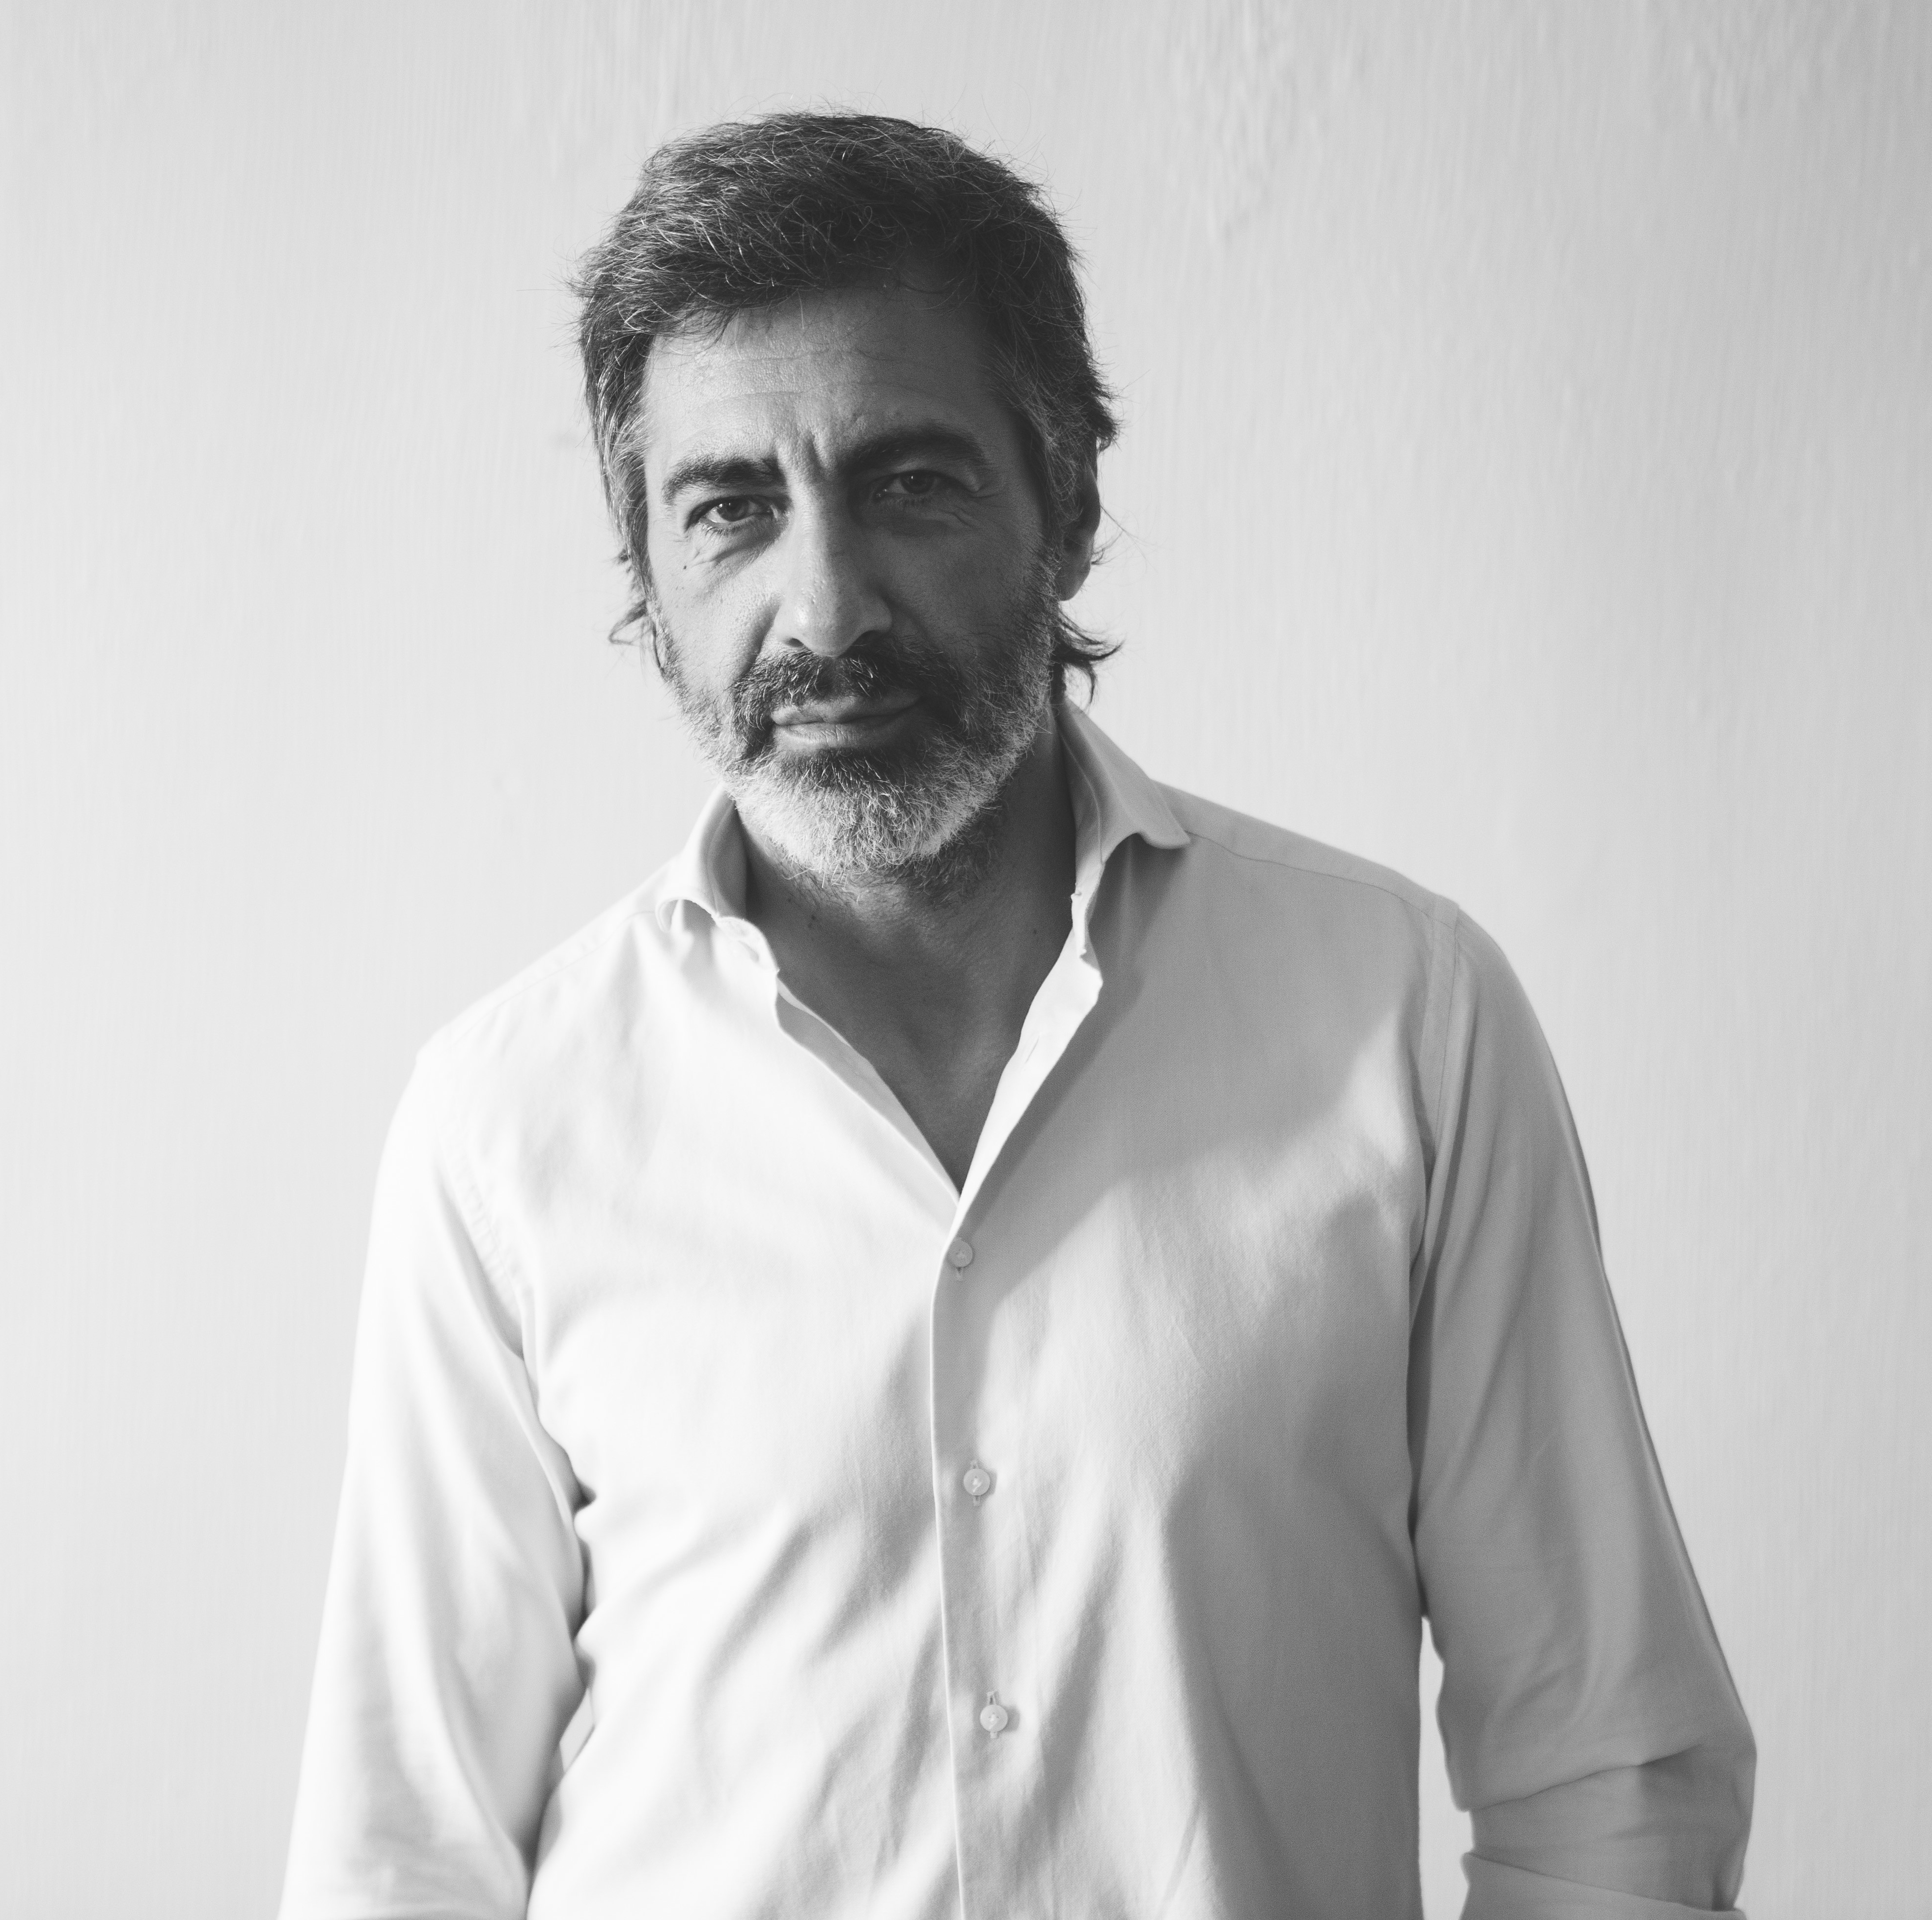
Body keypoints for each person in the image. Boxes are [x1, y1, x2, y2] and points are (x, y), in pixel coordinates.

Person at [280, 112, 1753, 1920]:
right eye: (730, 508)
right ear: (645, 572)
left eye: (910, 483)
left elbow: (1605, 1775)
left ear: (1066, 499)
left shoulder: (1404, 1017)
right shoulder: (507, 1120)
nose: (824, 608)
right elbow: (405, 1854)